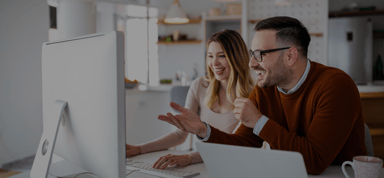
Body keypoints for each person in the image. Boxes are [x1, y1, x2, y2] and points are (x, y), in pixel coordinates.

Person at [158, 16, 367, 175]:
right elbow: (243, 144)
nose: (251, 63)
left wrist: (258, 121)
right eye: (252, 54)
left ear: (290, 56)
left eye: (259, 54)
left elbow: (314, 161)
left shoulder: (335, 85)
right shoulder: (266, 86)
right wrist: (204, 130)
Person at [126, 30, 255, 169]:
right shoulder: (200, 85)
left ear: (237, 57)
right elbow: (180, 134)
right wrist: (139, 149)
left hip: (234, 166)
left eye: (222, 56)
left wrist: (190, 157)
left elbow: (232, 145)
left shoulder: (252, 95)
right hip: (204, 164)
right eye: (210, 56)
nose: (214, 63)